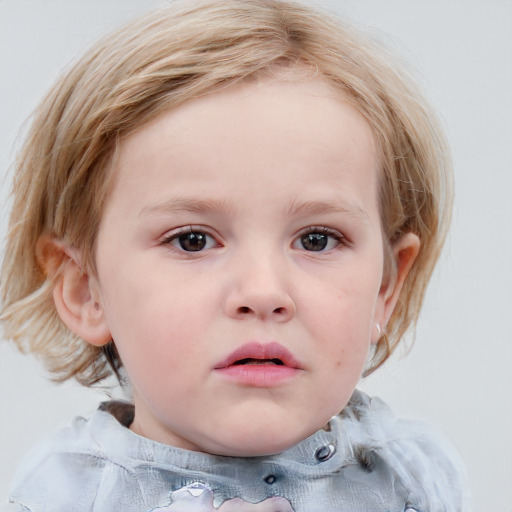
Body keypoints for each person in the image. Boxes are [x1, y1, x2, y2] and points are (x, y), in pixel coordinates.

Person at [0, 0, 470, 510]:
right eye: (192, 240)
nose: (263, 292)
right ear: (85, 289)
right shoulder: (64, 496)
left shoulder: (414, 482)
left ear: (385, 287)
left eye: (316, 239)